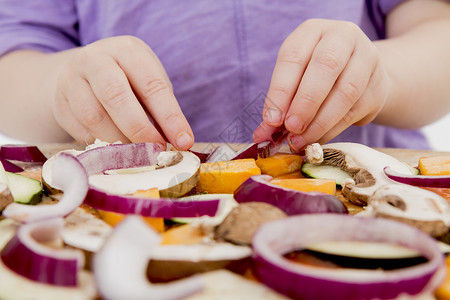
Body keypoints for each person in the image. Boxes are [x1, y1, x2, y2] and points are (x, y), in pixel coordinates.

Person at [0, 0, 449, 153]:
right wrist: (59, 86)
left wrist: (380, 76)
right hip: (130, 210)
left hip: (369, 203)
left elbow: (436, 35)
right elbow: (11, 67)